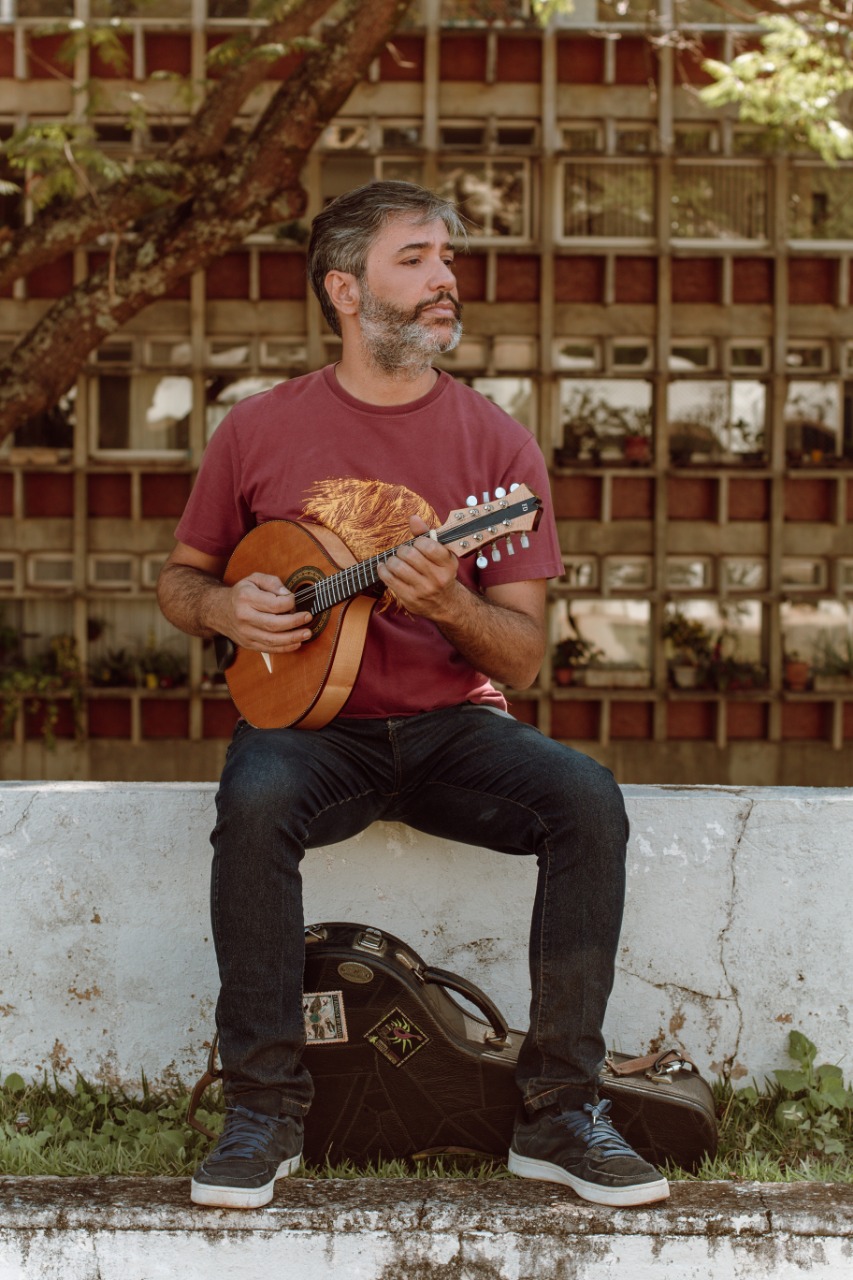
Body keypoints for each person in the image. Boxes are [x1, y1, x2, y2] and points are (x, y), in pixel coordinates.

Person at [158, 180, 669, 1212]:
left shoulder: (499, 448)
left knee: (586, 798)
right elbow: (178, 579)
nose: (446, 278)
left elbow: (522, 655)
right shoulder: (257, 431)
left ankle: (561, 1110)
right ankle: (263, 1108)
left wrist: (449, 606)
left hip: (453, 726)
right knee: (252, 799)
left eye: (448, 259)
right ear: (345, 288)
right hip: (310, 728)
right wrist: (226, 608)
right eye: (417, 258)